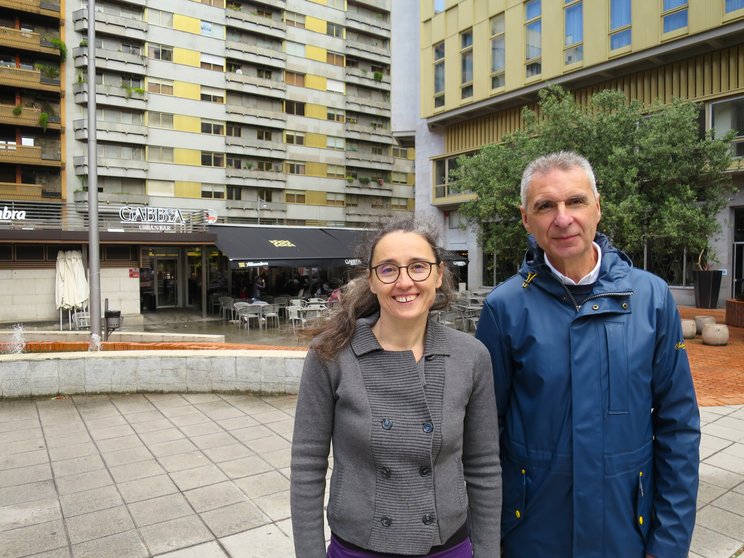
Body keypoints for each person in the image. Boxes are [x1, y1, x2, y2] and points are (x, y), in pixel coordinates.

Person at [476, 151, 700, 557]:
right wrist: (490, 541)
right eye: (545, 206)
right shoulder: (504, 307)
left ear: (597, 208)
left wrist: (668, 544)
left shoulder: (651, 298)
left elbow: (678, 428)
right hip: (532, 534)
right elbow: (485, 434)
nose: (562, 218)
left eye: (575, 201)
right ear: (527, 219)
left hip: (625, 531)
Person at [290, 218, 502, 558]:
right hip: (359, 548)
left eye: (418, 267)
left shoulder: (471, 356)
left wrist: (489, 553)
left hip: (448, 547)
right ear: (372, 280)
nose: (405, 282)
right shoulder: (330, 354)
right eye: (388, 270)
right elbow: (307, 466)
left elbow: (484, 467)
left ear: (437, 274)